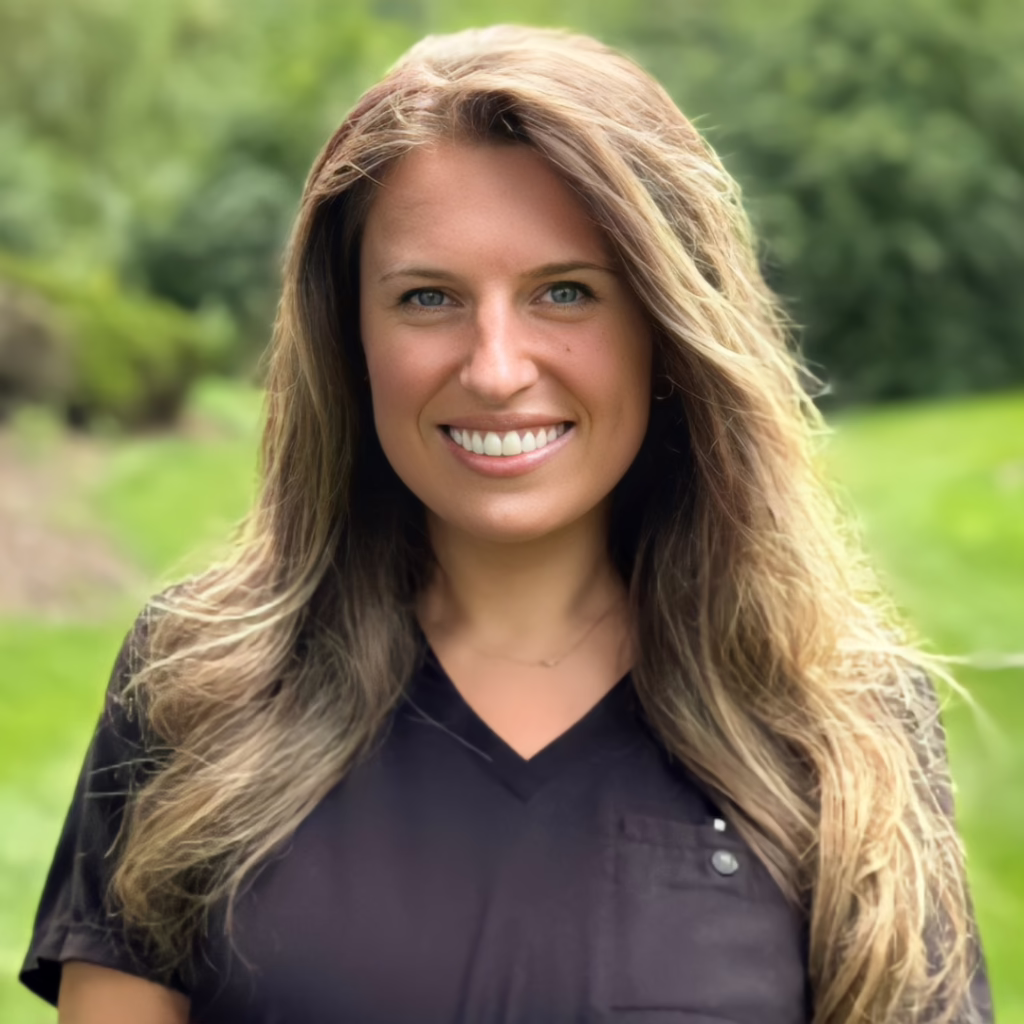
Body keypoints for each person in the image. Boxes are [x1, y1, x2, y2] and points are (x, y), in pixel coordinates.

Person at [20, 24, 993, 1024]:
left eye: (564, 293)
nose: (494, 369)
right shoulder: (195, 689)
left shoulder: (843, 725)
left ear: (668, 326)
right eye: (427, 297)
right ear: (350, 338)